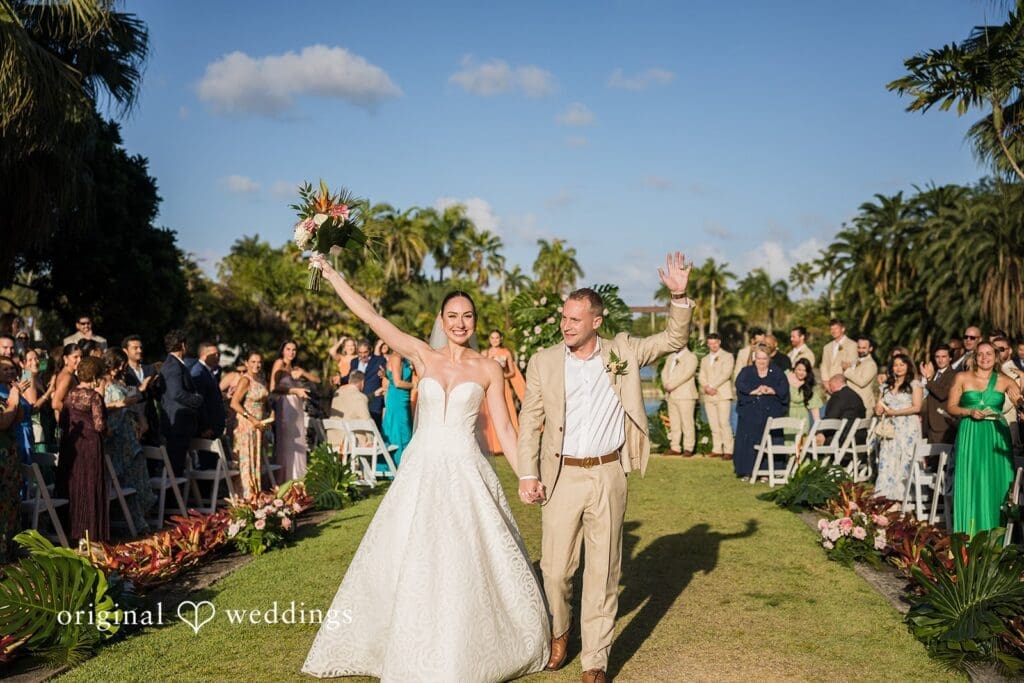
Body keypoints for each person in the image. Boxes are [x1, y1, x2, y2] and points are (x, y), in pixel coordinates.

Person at [303, 256, 549, 681]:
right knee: (409, 553)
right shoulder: (421, 354)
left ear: (474, 320)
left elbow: (506, 429)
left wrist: (527, 475)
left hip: (466, 471)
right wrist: (332, 275)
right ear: (441, 319)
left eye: (467, 316)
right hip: (421, 470)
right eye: (452, 316)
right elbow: (371, 315)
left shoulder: (489, 368)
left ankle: (468, 643)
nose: (460, 323)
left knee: (465, 556)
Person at [517, 252, 693, 683]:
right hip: (561, 476)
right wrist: (527, 472)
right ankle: (560, 630)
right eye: (564, 318)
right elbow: (530, 421)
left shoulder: (623, 352)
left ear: (597, 321)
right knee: (556, 571)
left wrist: (680, 295)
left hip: (609, 473)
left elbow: (673, 339)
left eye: (576, 319)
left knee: (604, 568)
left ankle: (595, 658)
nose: (566, 325)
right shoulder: (543, 361)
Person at [947, 341, 1022, 536]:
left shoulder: (1004, 380)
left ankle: (998, 537)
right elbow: (951, 407)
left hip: (997, 435)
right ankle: (969, 536)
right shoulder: (962, 377)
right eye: (980, 354)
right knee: (972, 479)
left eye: (989, 354)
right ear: (974, 356)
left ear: (996, 357)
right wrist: (969, 411)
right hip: (970, 433)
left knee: (997, 482)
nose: (984, 358)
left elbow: (1020, 402)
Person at [55, 356, 109, 542]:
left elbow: (63, 420)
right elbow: (100, 425)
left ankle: (73, 530)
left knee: (74, 485)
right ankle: (91, 532)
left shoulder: (70, 395)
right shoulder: (94, 397)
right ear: (95, 377)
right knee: (89, 485)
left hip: (72, 445)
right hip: (90, 446)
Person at [101, 349, 155, 534]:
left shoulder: (119, 382)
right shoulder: (101, 384)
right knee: (125, 478)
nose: (122, 368)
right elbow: (102, 409)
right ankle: (134, 523)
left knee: (138, 476)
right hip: (116, 437)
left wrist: (140, 419)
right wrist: (120, 405)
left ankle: (141, 518)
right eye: (120, 365)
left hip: (129, 433)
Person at [733, 347, 790, 478]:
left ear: (769, 359)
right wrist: (753, 391)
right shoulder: (746, 371)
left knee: (770, 439)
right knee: (749, 440)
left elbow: (784, 388)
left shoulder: (777, 372)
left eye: (764, 358)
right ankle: (747, 470)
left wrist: (772, 390)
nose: (761, 361)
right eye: (759, 358)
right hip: (750, 412)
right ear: (754, 358)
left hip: (771, 413)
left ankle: (768, 471)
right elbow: (739, 384)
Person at [872, 353, 923, 500]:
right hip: (890, 428)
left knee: (904, 459)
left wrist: (896, 412)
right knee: (888, 458)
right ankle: (885, 495)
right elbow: (878, 405)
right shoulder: (886, 385)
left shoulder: (915, 384)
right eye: (895, 365)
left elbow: (917, 407)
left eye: (902, 364)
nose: (899, 368)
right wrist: (879, 409)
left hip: (907, 428)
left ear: (908, 366)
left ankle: (903, 497)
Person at [270, 340, 319, 481]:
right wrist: (294, 390)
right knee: (287, 442)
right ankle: (285, 477)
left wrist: (303, 373)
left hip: (297, 408)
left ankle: (298, 476)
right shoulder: (279, 364)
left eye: (294, 350)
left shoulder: (295, 368)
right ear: (282, 350)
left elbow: (318, 380)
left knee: (298, 440)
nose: (291, 352)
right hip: (285, 406)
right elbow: (274, 388)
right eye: (288, 349)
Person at [159, 330, 204, 476]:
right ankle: (172, 499)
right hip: (177, 425)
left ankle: (175, 497)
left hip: (179, 424)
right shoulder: (174, 365)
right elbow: (176, 393)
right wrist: (197, 399)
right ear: (183, 345)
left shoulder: (175, 364)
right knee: (175, 468)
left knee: (178, 466)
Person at [230, 352, 272, 498]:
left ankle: (255, 496)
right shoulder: (245, 380)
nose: (256, 365)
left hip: (259, 426)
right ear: (246, 363)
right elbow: (234, 403)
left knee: (256, 462)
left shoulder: (260, 378)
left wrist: (270, 413)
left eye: (259, 362)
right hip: (246, 426)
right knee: (247, 463)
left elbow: (265, 400)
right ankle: (246, 498)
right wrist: (251, 418)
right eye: (253, 362)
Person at [480, 329, 527, 455]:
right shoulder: (485, 353)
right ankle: (492, 445)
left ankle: (510, 443)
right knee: (490, 412)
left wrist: (502, 375)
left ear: (500, 339)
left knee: (507, 411)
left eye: (497, 338)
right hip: (490, 386)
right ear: (489, 339)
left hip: (503, 384)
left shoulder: (506, 352)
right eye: (492, 338)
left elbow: (512, 371)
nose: (495, 340)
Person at [698, 333, 735, 459]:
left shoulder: (728, 356)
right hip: (709, 395)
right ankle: (717, 449)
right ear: (708, 344)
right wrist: (706, 387)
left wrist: (712, 386)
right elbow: (701, 375)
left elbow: (726, 374)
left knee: (724, 423)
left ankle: (729, 450)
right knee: (713, 424)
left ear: (719, 342)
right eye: (710, 344)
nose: (713, 346)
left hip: (723, 394)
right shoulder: (704, 359)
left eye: (715, 343)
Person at [0, 365, 23, 560]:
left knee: (10, 503)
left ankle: (9, 550)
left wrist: (15, 395)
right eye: (4, 369)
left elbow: (19, 417)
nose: (10, 373)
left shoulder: (4, 394)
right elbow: (3, 422)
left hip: (9, 460)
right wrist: (14, 399)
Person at [661, 343, 699, 456]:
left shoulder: (691, 357)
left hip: (685, 395)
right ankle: (675, 447)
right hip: (671, 395)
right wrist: (666, 384)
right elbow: (664, 372)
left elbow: (686, 374)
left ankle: (688, 448)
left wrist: (672, 385)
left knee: (687, 423)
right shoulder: (670, 357)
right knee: (674, 423)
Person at [919, 345, 957, 444]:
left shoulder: (954, 375)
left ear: (950, 358)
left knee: (942, 458)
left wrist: (929, 380)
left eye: (944, 357)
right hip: (929, 426)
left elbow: (942, 394)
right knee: (930, 459)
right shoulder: (934, 374)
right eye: (937, 357)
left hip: (943, 426)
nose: (940, 360)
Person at [381, 352, 414, 466]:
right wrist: (415, 385)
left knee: (403, 427)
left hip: (403, 399)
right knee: (400, 429)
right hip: (397, 399)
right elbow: (397, 383)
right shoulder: (396, 358)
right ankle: (398, 463)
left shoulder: (404, 359)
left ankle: (403, 463)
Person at [327, 369, 372, 450]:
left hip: (334, 438)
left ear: (349, 380)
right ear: (362, 382)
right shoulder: (360, 397)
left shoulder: (337, 394)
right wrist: (371, 440)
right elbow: (367, 420)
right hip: (350, 441)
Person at [815, 375, 866, 446]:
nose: (829, 389)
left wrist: (819, 431)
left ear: (835, 383)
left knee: (812, 440)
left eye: (830, 385)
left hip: (843, 439)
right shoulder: (856, 396)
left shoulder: (837, 396)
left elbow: (831, 418)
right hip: (859, 438)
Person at [349, 340, 387, 429]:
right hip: (356, 400)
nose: (363, 355)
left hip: (374, 403)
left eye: (365, 352)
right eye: (360, 353)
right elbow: (349, 377)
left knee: (375, 429)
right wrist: (340, 379)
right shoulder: (354, 362)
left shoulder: (380, 360)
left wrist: (384, 373)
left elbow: (387, 372)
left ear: (370, 350)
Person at [786, 358, 822, 438]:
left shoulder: (809, 384)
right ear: (794, 368)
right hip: (787, 415)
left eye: (804, 370)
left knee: (800, 445)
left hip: (802, 417)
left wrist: (818, 430)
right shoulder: (785, 377)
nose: (801, 373)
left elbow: (815, 408)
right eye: (799, 369)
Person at [843, 336, 879, 414]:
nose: (860, 350)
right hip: (851, 404)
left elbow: (862, 382)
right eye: (859, 347)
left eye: (863, 348)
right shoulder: (855, 360)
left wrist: (847, 370)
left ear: (870, 349)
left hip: (863, 405)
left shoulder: (871, 364)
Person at [820, 319, 857, 392]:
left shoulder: (852, 345)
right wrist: (826, 382)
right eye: (831, 329)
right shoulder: (827, 347)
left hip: (844, 386)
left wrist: (839, 383)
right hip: (829, 387)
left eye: (836, 328)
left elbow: (852, 366)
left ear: (843, 329)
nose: (833, 331)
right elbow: (824, 365)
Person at [51, 343, 82, 418]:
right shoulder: (67, 376)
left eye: (81, 357)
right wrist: (74, 414)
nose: (80, 360)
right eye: (75, 357)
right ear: (65, 358)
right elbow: (55, 403)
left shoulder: (70, 374)